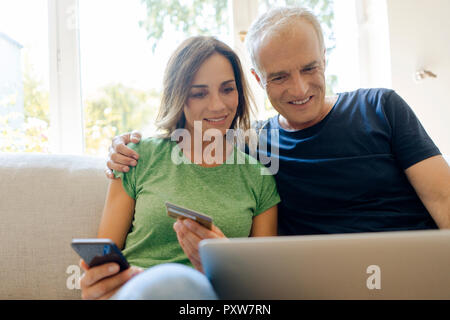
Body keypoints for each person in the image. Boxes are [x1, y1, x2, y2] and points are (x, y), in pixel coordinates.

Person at [107, 6, 450, 236]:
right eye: (281, 77)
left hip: (410, 266)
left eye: (309, 68)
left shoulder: (381, 107)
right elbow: (192, 133)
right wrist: (122, 146)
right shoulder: (254, 144)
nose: (300, 89)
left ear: (324, 60)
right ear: (258, 79)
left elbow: (443, 200)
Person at [80, 36, 280, 300]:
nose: (218, 105)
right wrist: (97, 285)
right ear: (179, 96)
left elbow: (263, 289)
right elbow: (103, 260)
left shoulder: (258, 177)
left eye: (227, 89)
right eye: (199, 93)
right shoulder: (137, 156)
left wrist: (225, 261)